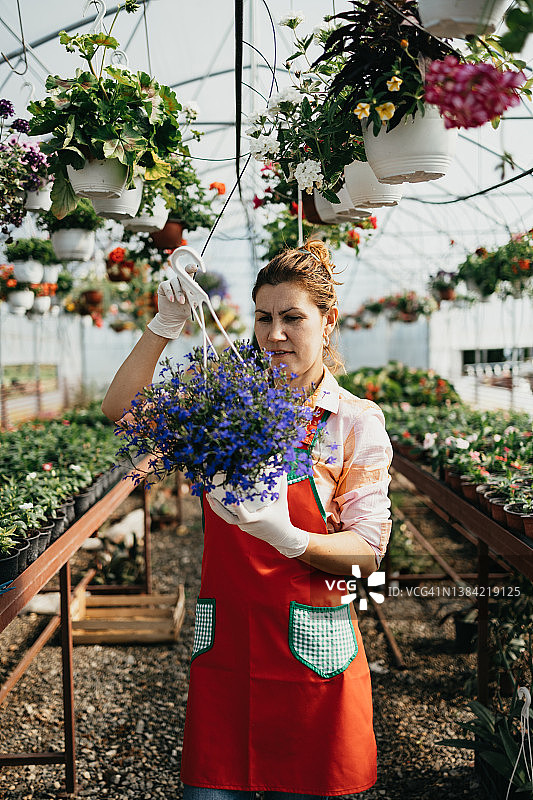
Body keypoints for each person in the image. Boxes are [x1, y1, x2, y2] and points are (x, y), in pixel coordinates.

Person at [102, 239, 393, 800]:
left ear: (327, 322)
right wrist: (163, 326)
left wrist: (288, 537)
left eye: (292, 318)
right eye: (264, 318)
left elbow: (367, 551)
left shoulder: (353, 422)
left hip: (313, 660)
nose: (274, 334)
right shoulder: (226, 404)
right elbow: (122, 410)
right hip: (230, 654)